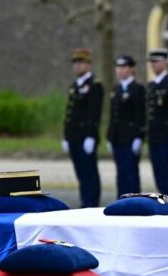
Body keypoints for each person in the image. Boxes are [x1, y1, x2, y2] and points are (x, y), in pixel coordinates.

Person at [63, 48, 103, 208]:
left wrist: (91, 136)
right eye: (75, 63)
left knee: (89, 173)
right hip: (73, 136)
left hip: (86, 136)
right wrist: (66, 135)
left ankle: (91, 203)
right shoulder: (74, 85)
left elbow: (94, 113)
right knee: (80, 172)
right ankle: (84, 201)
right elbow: (69, 113)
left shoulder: (95, 85)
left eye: (80, 63)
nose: (77, 66)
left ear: (88, 64)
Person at [106, 55, 146, 198]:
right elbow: (113, 115)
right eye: (118, 67)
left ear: (131, 69)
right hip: (117, 136)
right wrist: (109, 136)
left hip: (130, 137)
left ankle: (134, 201)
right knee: (120, 172)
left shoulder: (138, 89)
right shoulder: (116, 89)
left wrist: (139, 137)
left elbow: (140, 114)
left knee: (131, 172)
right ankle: (121, 200)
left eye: (123, 67)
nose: (120, 71)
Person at [146, 48, 168, 200]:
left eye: (156, 62)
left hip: (167, 136)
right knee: (158, 173)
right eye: (151, 62)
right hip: (154, 136)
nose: (153, 65)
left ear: (164, 62)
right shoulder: (152, 86)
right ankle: (163, 201)